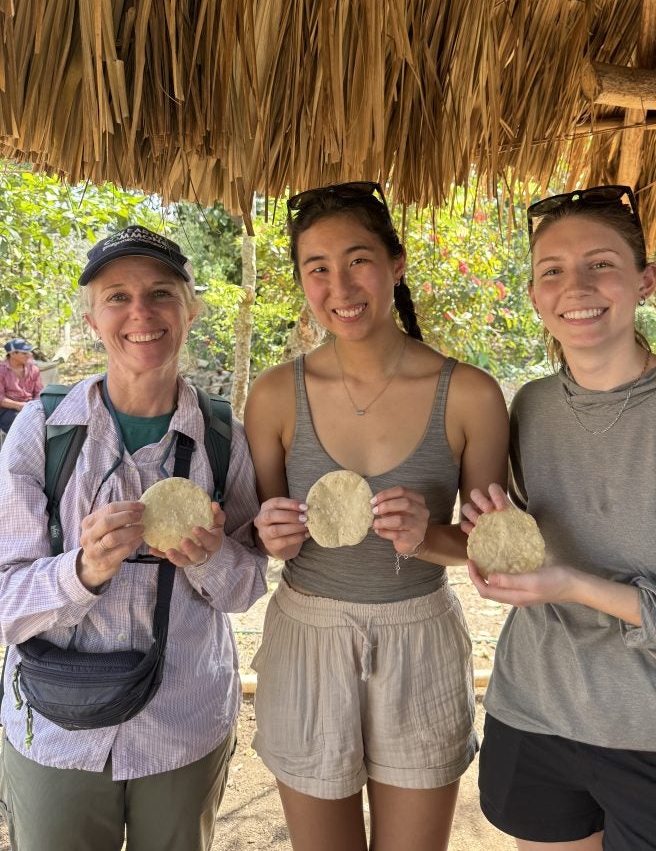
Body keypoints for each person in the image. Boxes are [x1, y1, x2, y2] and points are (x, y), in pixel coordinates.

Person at [462, 184, 656, 851]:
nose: (577, 285)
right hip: (535, 714)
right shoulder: (531, 409)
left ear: (645, 281)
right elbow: (517, 552)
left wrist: (572, 585)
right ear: (536, 294)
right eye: (552, 271)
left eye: (601, 262)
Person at [243, 181, 510, 851]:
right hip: (307, 636)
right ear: (301, 280)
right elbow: (260, 530)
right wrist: (264, 531)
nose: (341, 285)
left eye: (358, 260)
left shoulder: (469, 395)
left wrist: (426, 537)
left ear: (397, 264)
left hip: (419, 635)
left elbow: (488, 549)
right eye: (317, 269)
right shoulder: (275, 395)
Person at [0, 225, 267, 851]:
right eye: (116, 296)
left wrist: (211, 557)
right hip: (57, 728)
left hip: (183, 721)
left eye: (161, 293)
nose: (140, 313)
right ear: (93, 318)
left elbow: (247, 587)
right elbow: (4, 599)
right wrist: (84, 570)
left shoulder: (223, 437)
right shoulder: (43, 432)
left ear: (191, 309)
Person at [0, 338, 43, 434]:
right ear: (12, 354)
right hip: (8, 410)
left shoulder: (33, 369)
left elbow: (39, 392)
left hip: (31, 407)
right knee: (22, 424)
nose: (29, 355)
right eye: (24, 353)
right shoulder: (1, 370)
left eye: (29, 352)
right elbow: (1, 399)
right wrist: (19, 406)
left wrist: (33, 405)